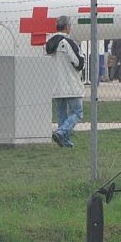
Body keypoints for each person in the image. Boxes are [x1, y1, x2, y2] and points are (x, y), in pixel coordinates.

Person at [44, 17, 85, 148]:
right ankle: (61, 132)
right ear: (67, 26)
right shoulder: (69, 42)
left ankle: (65, 141)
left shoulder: (48, 44)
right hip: (70, 83)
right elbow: (79, 63)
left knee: (62, 114)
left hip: (55, 85)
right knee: (77, 112)